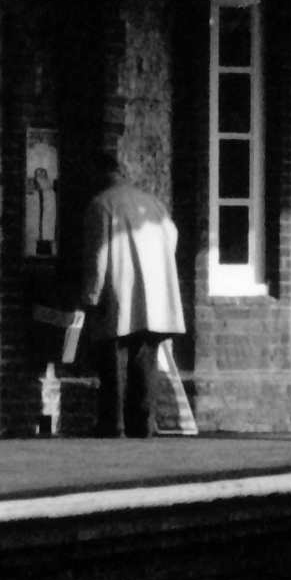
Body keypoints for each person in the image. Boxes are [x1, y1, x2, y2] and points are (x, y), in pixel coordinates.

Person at [78, 158, 187, 437]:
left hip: (118, 291)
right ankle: (143, 424)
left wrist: (91, 295)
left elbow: (98, 254)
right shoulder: (153, 204)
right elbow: (172, 237)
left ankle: (113, 424)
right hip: (155, 295)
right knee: (146, 360)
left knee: (113, 361)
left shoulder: (101, 204)